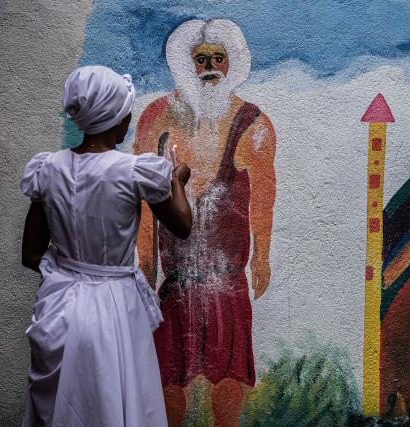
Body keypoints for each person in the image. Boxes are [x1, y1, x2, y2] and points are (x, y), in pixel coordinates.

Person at [20, 65, 192, 426]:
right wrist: (176, 181)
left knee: (65, 407)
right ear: (118, 121)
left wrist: (68, 274)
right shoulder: (134, 171)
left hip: (60, 306)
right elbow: (183, 225)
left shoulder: (47, 170)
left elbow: (32, 254)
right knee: (119, 397)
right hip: (117, 307)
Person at [133, 19, 276, 426]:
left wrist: (260, 257)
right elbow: (143, 201)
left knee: (229, 381)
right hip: (175, 282)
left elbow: (264, 197)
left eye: (218, 58)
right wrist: (145, 264)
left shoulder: (253, 124)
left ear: (233, 63)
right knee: (167, 380)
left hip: (228, 279)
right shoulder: (157, 120)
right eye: (200, 60)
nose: (209, 68)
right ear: (184, 63)